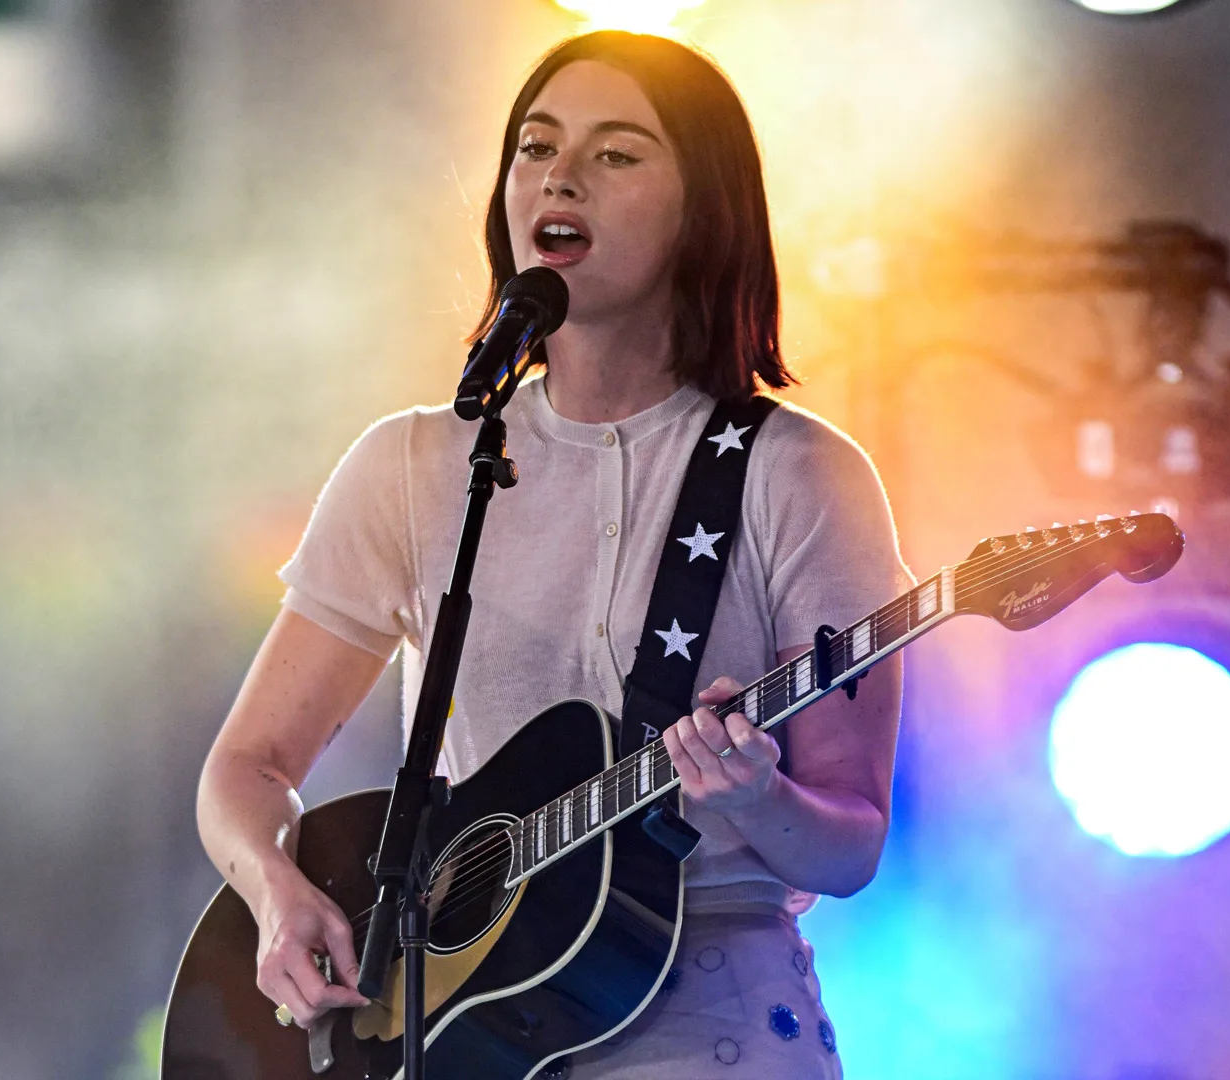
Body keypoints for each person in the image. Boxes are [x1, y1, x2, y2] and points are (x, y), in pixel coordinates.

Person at [197, 30, 910, 1079]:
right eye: (535, 147)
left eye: (617, 154)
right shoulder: (417, 464)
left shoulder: (798, 473)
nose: (560, 176)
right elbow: (244, 769)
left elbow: (848, 846)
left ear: (702, 207)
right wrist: (275, 890)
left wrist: (755, 795)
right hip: (457, 1037)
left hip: (708, 1027)